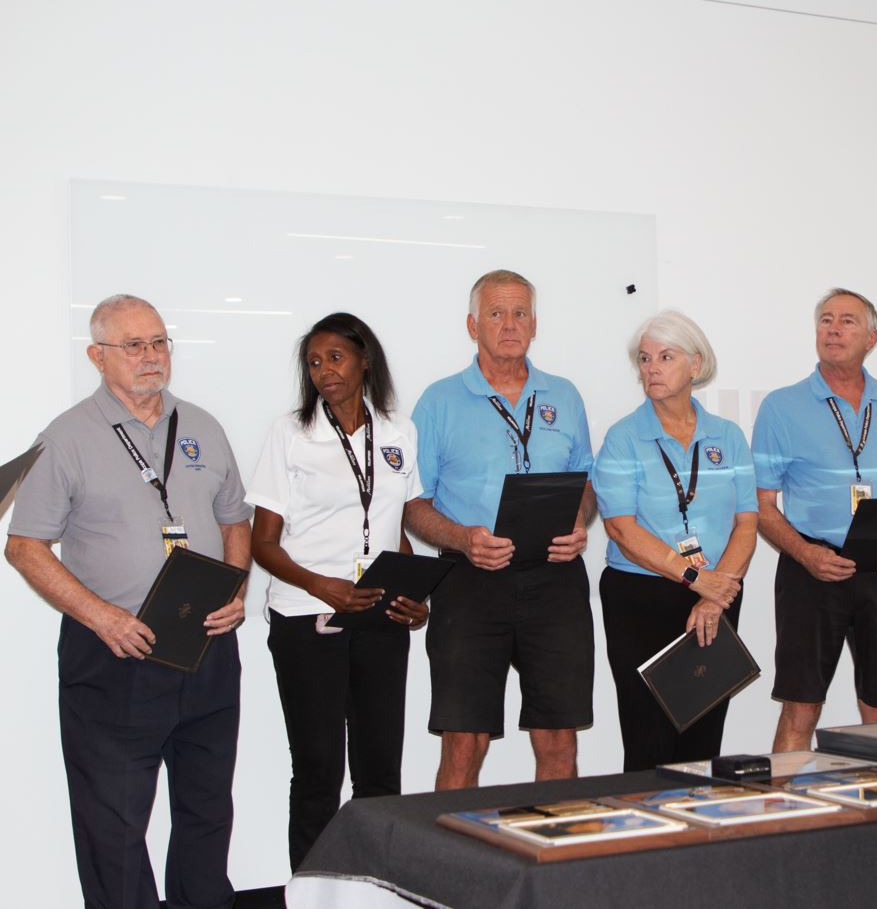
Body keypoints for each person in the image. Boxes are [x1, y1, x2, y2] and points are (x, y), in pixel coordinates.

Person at [5, 294, 251, 909]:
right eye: (133, 345)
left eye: (159, 342)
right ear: (97, 356)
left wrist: (236, 585)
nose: (150, 356)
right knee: (112, 825)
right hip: (115, 652)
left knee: (207, 809)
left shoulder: (202, 425)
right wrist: (102, 617)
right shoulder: (66, 437)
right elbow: (25, 547)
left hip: (206, 646)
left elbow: (235, 520)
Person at [245, 312, 429, 870]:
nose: (324, 370)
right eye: (314, 362)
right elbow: (263, 544)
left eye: (335, 357)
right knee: (318, 770)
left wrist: (415, 596)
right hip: (308, 617)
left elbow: (393, 525)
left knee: (380, 771)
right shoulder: (291, 433)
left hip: (379, 616)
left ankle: (376, 889)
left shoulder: (398, 431)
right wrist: (322, 586)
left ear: (364, 359)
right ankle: (312, 893)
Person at [404, 269, 596, 789]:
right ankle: (449, 847)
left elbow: (586, 481)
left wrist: (580, 518)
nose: (509, 325)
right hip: (470, 580)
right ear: (473, 326)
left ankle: (553, 842)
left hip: (555, 579)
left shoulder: (565, 395)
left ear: (534, 324)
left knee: (558, 739)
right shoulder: (439, 402)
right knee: (464, 742)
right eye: (495, 313)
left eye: (519, 313)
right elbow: (412, 504)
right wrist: (462, 539)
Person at [752, 288, 877, 752]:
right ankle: (786, 801)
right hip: (812, 570)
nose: (833, 329)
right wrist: (806, 553)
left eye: (847, 321)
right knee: (800, 709)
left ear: (872, 338)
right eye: (826, 320)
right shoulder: (781, 406)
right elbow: (760, 503)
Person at [592, 310, 758, 770]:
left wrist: (714, 594)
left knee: (703, 736)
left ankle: (700, 817)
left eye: (666, 357)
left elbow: (747, 523)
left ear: (695, 365)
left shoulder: (728, 436)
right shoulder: (623, 438)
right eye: (645, 359)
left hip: (717, 592)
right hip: (642, 597)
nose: (652, 368)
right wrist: (695, 579)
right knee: (650, 739)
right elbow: (621, 529)